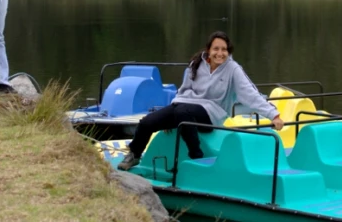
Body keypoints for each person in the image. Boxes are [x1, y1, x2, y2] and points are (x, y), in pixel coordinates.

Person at [118, 31, 284, 171]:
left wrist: (273, 114)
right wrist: (170, 115)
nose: (220, 53)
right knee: (148, 121)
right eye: (216, 49)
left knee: (183, 112)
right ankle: (135, 154)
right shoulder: (196, 64)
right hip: (184, 106)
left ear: (229, 51)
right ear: (209, 50)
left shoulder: (233, 69)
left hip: (211, 113)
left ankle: (196, 157)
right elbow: (182, 91)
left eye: (224, 49)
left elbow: (250, 94)